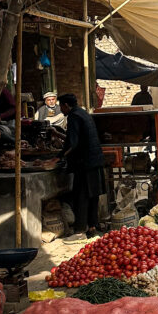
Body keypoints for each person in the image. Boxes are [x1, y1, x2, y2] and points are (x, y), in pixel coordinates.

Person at [59, 94, 106, 241]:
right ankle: (92, 226)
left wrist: (60, 156)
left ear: (66, 105)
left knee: (82, 196)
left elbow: (73, 143)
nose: (61, 109)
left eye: (61, 106)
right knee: (93, 195)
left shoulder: (73, 116)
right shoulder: (83, 113)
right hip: (95, 160)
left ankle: (80, 231)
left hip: (84, 163)